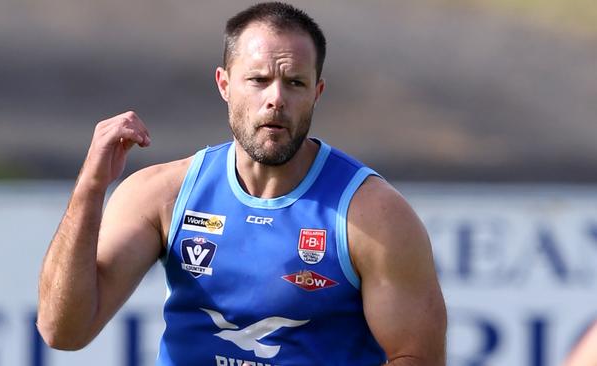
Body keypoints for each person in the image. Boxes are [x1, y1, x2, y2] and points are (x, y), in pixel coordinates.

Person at [37, 2, 447, 365]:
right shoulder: (163, 195)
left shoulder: (373, 214)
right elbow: (63, 331)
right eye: (258, 80)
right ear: (224, 84)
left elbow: (419, 357)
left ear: (317, 93)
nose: (276, 99)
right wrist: (90, 188)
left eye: (295, 83)